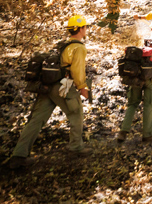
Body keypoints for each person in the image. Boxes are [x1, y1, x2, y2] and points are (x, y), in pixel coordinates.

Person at [7, 15, 91, 169]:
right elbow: (77, 70)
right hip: (63, 86)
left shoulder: (63, 45)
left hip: (47, 86)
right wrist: (82, 88)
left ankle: (18, 155)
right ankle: (75, 147)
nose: (86, 29)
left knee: (36, 120)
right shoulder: (79, 47)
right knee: (76, 113)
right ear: (80, 29)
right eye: (85, 27)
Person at [116, 18, 152, 143]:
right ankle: (147, 135)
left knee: (132, 104)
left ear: (151, 30)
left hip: (137, 77)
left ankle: (123, 132)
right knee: (149, 105)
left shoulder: (144, 41)